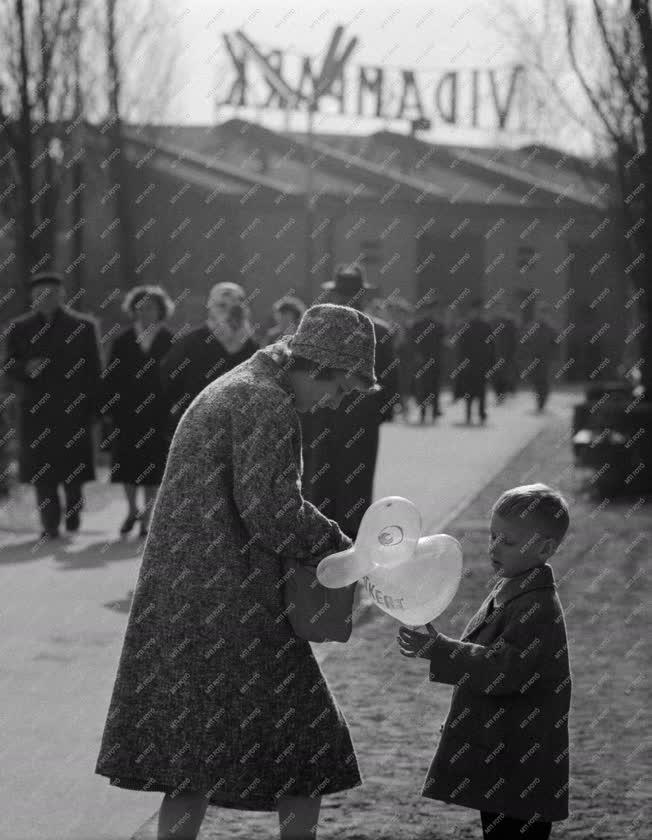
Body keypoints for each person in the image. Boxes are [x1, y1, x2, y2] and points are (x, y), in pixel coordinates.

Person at [94, 304, 379, 840]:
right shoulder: (264, 400)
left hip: (195, 596)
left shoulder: (245, 383)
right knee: (309, 741)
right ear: (318, 365)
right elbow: (271, 509)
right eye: (340, 388)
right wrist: (347, 548)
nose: (334, 403)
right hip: (229, 601)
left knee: (191, 755)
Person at [398, 483, 572, 840]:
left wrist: (439, 649)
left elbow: (502, 670)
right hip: (502, 757)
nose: (494, 547)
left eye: (507, 541)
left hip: (523, 764)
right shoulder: (513, 587)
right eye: (493, 535)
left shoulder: (536, 607)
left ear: (545, 548)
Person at [301, 263, 399, 539]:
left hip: (321, 412)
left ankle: (320, 533)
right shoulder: (379, 330)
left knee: (319, 474)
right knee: (356, 477)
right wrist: (382, 412)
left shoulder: (316, 328)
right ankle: (353, 536)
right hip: (361, 416)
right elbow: (390, 381)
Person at [4, 271, 103, 538]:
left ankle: (73, 508)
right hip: (35, 410)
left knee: (73, 467)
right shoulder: (19, 328)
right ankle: (50, 525)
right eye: (40, 295)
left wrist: (96, 408)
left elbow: (95, 370)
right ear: (32, 298)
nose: (45, 299)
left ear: (62, 296)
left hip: (73, 407)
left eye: (51, 294)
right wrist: (26, 367)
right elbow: (8, 366)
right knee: (41, 469)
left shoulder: (83, 327)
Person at [101, 285, 175, 537]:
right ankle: (131, 509)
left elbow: (176, 377)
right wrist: (108, 409)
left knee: (154, 466)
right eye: (141, 308)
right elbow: (110, 377)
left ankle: (148, 515)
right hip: (127, 412)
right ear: (133, 310)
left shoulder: (170, 339)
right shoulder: (122, 340)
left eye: (151, 308)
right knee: (127, 465)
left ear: (160, 310)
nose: (146, 313)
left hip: (159, 413)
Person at [160, 282, 258, 438]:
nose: (229, 313)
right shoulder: (191, 343)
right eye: (222, 306)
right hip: (196, 427)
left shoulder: (251, 347)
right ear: (212, 308)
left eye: (235, 308)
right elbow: (169, 381)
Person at [453, 298, 495, 425]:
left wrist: (491, 363)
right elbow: (461, 347)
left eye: (478, 310)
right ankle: (469, 414)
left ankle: (481, 413)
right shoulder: (465, 326)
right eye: (474, 310)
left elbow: (491, 346)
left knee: (481, 390)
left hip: (482, 364)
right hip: (468, 364)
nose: (476, 313)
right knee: (469, 391)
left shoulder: (486, 326)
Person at [409, 299, 447, 423]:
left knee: (430, 387)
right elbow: (413, 343)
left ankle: (430, 411)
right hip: (427, 360)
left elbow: (443, 343)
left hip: (430, 360)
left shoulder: (434, 325)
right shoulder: (432, 325)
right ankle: (427, 412)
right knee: (427, 387)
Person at [521, 302, 558, 413]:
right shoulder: (531, 327)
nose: (543, 316)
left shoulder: (551, 329)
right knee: (536, 381)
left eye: (545, 313)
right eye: (541, 313)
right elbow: (525, 342)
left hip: (546, 360)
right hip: (533, 359)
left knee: (544, 381)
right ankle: (539, 401)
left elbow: (556, 344)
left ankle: (542, 403)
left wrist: (554, 358)